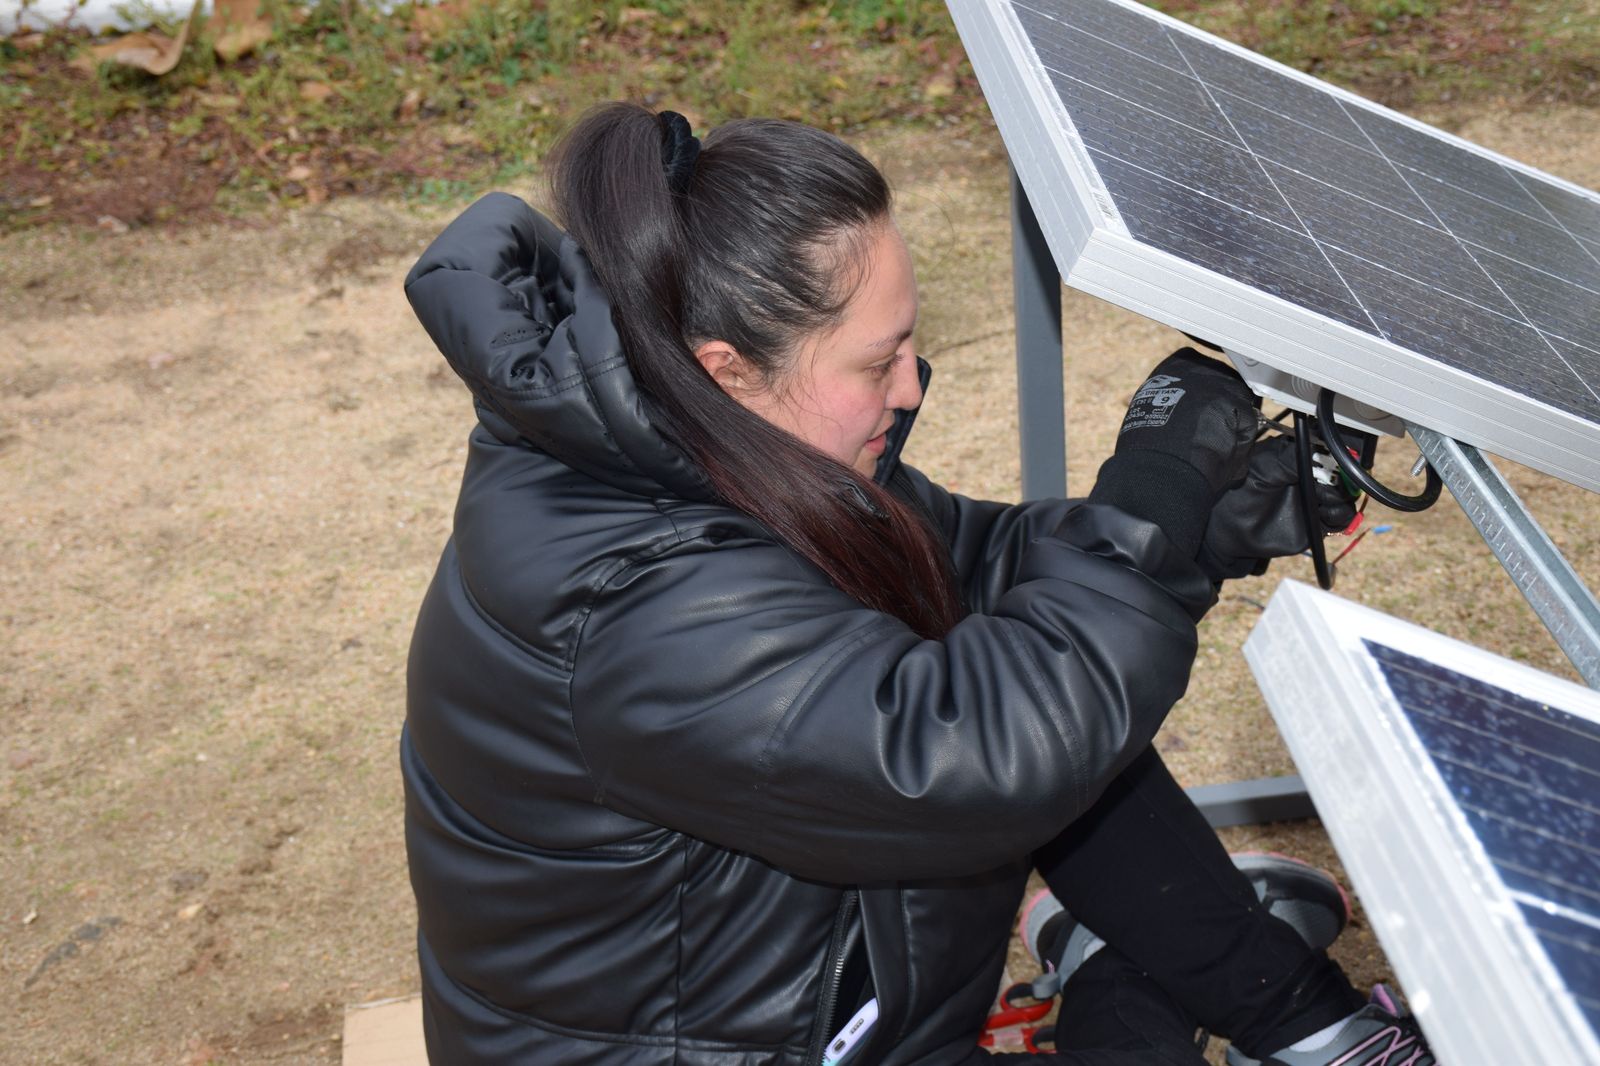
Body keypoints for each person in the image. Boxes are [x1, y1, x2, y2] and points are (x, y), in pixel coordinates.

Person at [401, 103, 1437, 1065]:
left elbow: (975, 571)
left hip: (785, 1011)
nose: (910, 387)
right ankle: (1126, 972)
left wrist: (1201, 530)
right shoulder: (644, 605)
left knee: (1037, 681)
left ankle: (1305, 1023)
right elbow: (980, 750)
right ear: (726, 369)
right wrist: (1148, 496)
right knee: (1031, 719)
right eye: (876, 361)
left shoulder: (708, 442)